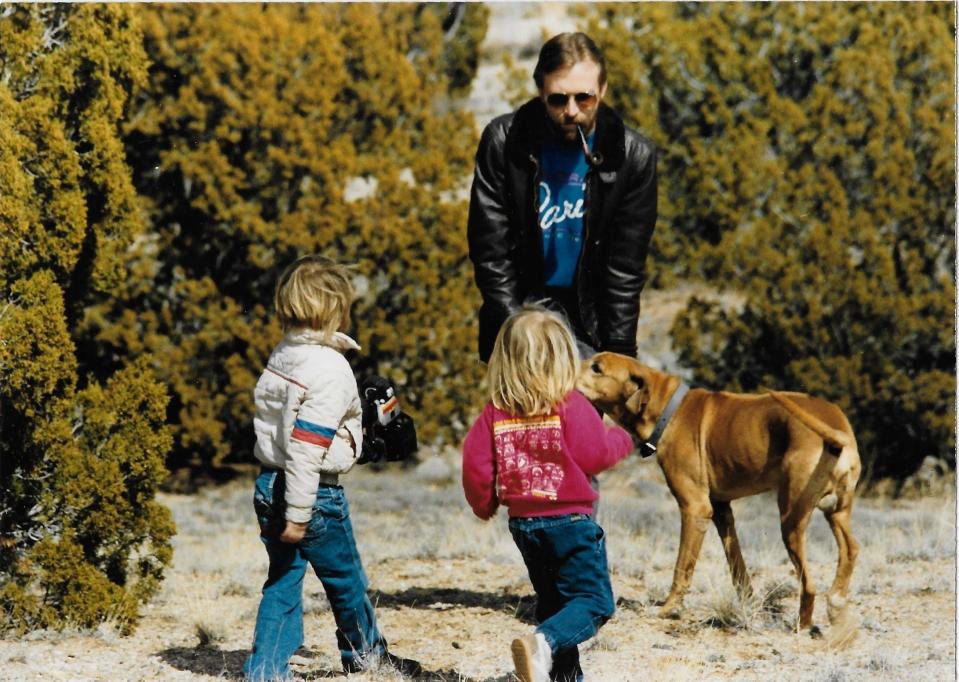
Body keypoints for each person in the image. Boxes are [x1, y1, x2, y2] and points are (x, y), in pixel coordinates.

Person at [244, 255, 421, 681]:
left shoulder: (282, 355)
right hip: (313, 494)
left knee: (283, 582)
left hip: (269, 483)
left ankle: (265, 672)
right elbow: (306, 448)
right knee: (346, 581)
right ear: (336, 308)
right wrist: (300, 513)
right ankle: (366, 657)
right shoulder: (331, 368)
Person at [461, 306, 633, 682]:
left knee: (556, 603)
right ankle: (543, 642)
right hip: (570, 523)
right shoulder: (570, 405)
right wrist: (624, 436)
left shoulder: (496, 412)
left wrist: (484, 502)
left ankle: (560, 676)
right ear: (564, 358)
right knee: (593, 603)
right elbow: (596, 455)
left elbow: (476, 465)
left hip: (525, 525)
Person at [467, 31, 657, 362]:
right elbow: (491, 251)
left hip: (590, 321)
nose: (571, 111)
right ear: (541, 92)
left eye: (584, 98)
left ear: (603, 91)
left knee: (586, 415)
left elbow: (624, 270)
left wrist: (619, 356)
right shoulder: (503, 142)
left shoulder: (633, 157)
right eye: (558, 99)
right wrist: (517, 331)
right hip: (521, 312)